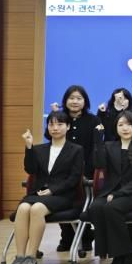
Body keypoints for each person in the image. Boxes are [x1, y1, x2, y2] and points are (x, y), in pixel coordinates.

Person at [4, 112, 84, 264]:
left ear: (68, 127)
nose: (55, 128)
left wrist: (53, 190)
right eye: (51, 124)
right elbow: (30, 169)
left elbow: (74, 178)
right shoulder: (40, 149)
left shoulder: (76, 150)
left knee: (37, 208)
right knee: (23, 208)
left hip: (62, 195)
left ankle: (31, 256)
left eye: (60, 124)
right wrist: (29, 147)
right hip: (38, 193)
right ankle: (20, 257)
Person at [88, 111, 132, 264]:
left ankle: (126, 255)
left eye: (129, 124)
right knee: (96, 207)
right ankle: (118, 255)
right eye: (121, 125)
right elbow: (99, 164)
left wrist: (119, 194)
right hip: (110, 191)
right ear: (116, 128)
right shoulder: (109, 146)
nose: (125, 128)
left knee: (111, 207)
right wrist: (98, 141)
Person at [52, 85, 100, 252]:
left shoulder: (93, 120)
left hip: (86, 171)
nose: (75, 101)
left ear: (85, 101)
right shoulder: (59, 118)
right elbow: (51, 138)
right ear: (65, 100)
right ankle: (66, 237)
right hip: (62, 171)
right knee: (61, 202)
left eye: (79, 98)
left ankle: (85, 237)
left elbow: (96, 147)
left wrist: (89, 171)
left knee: (82, 204)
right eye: (71, 98)